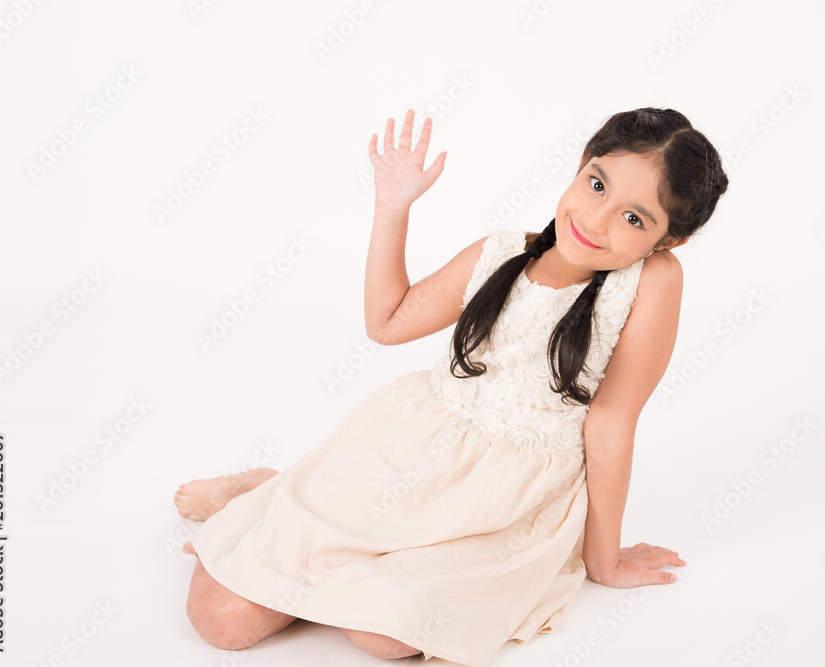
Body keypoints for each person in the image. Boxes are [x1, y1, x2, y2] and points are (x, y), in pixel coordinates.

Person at [174, 107, 729, 666]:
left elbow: (611, 424)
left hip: (506, 503)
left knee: (386, 637)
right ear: (583, 162)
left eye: (634, 218)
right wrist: (393, 207)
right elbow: (387, 323)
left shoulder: (652, 281)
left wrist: (603, 562)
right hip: (409, 453)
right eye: (597, 184)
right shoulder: (499, 254)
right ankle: (267, 491)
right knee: (222, 623)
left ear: (669, 241)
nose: (597, 219)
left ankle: (304, 522)